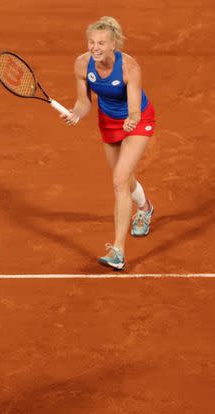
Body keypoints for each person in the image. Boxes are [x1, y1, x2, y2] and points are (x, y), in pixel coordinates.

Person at [63, 16, 156, 270]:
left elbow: (135, 110)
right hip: (108, 122)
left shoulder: (129, 67)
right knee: (124, 178)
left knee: (118, 180)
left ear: (114, 44)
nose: (95, 47)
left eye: (101, 43)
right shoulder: (82, 65)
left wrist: (131, 120)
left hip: (136, 121)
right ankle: (145, 208)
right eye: (92, 42)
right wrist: (76, 113)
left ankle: (118, 251)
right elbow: (84, 102)